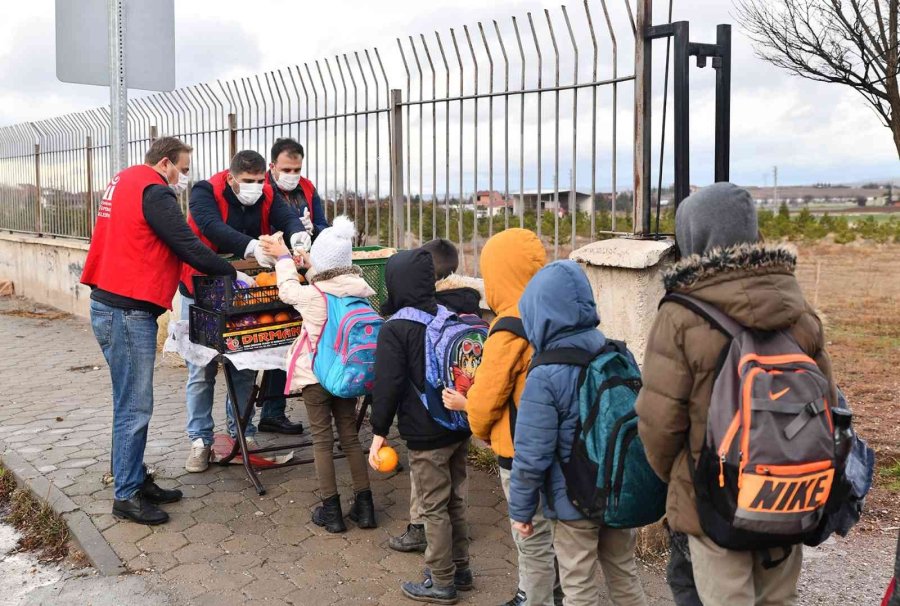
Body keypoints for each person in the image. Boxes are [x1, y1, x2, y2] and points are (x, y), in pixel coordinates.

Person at [635, 183, 838, 606]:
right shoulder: (797, 308)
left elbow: (659, 425)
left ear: (693, 235)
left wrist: (683, 480)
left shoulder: (680, 315)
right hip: (787, 492)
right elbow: (829, 405)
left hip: (715, 500)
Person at [81, 137, 237, 525]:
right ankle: (127, 495)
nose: (183, 178)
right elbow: (186, 243)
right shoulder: (154, 190)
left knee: (127, 402)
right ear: (165, 163)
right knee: (135, 406)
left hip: (111, 304)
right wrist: (230, 271)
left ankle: (133, 478)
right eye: (182, 170)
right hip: (126, 311)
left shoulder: (125, 180)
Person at [508, 260, 647, 606]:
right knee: (624, 575)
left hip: (573, 500)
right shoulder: (618, 354)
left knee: (579, 587)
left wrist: (521, 510)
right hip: (618, 491)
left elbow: (532, 453)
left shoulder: (544, 374)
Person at [440, 229, 559, 606]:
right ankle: (555, 591)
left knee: (529, 532)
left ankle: (534, 598)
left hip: (518, 447)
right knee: (553, 527)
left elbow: (486, 399)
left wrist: (473, 417)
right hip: (558, 444)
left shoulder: (507, 329)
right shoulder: (555, 315)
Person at [178, 150, 306, 473]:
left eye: (260, 180)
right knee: (202, 368)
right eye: (248, 180)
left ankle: (242, 434)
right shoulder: (205, 192)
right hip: (201, 287)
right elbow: (211, 227)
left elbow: (287, 217)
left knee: (246, 364)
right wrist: (252, 247)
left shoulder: (267, 194)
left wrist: (298, 236)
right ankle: (200, 441)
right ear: (231, 178)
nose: (256, 186)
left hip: (244, 288)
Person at [259, 215, 376, 533]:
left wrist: (284, 259)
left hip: (316, 377)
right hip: (347, 376)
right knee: (350, 437)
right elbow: (328, 282)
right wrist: (311, 265)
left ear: (321, 262)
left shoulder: (313, 296)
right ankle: (365, 508)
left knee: (322, 441)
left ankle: (331, 511)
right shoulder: (359, 291)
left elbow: (287, 290)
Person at [370, 249, 473, 605]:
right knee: (454, 500)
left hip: (426, 434)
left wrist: (378, 433)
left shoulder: (396, 328)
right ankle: (461, 569)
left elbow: (387, 385)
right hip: (458, 423)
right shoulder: (447, 315)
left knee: (432, 507)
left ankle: (441, 581)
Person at [388, 237, 481, 555]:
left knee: (426, 477)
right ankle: (458, 526)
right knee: (457, 472)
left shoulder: (428, 309)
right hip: (463, 407)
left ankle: (420, 528)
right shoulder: (470, 303)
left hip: (430, 410)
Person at [258, 137, 331, 435]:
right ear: (272, 166)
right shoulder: (261, 189)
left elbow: (323, 225)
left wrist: (315, 231)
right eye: (286, 169)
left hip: (302, 270)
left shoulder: (308, 189)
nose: (292, 175)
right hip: (269, 270)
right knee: (272, 336)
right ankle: (261, 412)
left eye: (297, 169)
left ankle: (273, 411)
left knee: (292, 336)